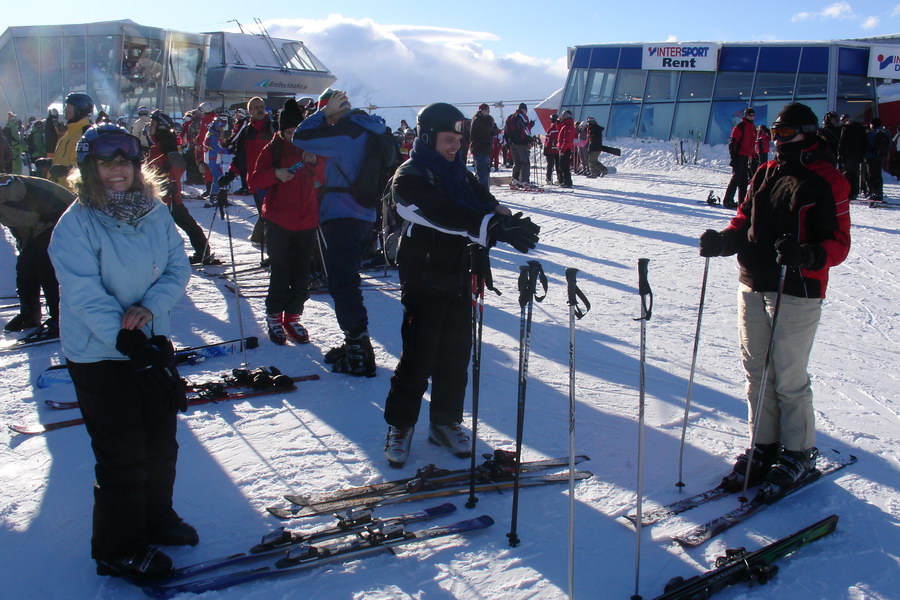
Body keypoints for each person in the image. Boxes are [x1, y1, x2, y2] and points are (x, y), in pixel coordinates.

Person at [48, 123, 194, 580]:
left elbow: (177, 266)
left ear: (137, 165)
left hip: (149, 341)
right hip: (100, 355)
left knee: (161, 444)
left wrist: (151, 308)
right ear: (88, 168)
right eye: (105, 162)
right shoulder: (74, 225)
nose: (117, 170)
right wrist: (127, 340)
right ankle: (119, 548)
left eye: (125, 161)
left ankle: (156, 518)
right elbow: (84, 295)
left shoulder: (154, 212)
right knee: (123, 454)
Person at [698, 102, 850, 493]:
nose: (777, 140)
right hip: (753, 280)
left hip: (797, 288)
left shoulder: (826, 180)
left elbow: (839, 243)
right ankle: (764, 444)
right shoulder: (764, 172)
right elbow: (744, 220)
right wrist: (724, 241)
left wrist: (808, 255)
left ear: (808, 133)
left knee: (788, 376)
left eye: (785, 134)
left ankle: (798, 450)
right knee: (756, 372)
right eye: (775, 133)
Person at [382, 102, 541, 467]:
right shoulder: (410, 175)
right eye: (448, 139)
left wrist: (504, 217)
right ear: (427, 137)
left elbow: (483, 203)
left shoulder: (458, 174)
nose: (456, 146)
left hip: (461, 273)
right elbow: (434, 212)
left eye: (459, 140)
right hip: (423, 275)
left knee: (456, 354)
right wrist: (488, 225)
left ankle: (445, 421)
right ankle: (401, 425)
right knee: (419, 357)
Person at [292, 88, 387, 377]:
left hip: (342, 215)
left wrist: (322, 114)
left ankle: (358, 353)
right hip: (363, 214)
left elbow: (300, 137)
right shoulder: (368, 129)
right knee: (347, 282)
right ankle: (357, 344)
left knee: (343, 285)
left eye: (325, 110)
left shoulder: (346, 132)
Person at [248, 99, 324, 345]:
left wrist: (315, 163)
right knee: (280, 271)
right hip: (279, 219)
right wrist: (275, 175)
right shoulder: (273, 149)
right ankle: (274, 315)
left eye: (296, 132)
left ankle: (293, 316)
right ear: (281, 131)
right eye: (289, 132)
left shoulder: (309, 148)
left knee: (302, 272)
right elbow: (255, 180)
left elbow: (326, 175)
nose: (293, 137)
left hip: (307, 218)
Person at [0, 175, 74, 333]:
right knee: (25, 265)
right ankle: (30, 314)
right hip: (40, 223)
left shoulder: (5, 185)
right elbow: (17, 220)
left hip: (61, 212)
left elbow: (15, 187)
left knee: (44, 264)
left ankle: (60, 317)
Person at [145, 110, 217, 264]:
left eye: (152, 124)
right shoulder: (158, 143)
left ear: (161, 127)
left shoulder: (165, 143)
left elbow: (179, 164)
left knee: (178, 225)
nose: (149, 126)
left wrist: (168, 181)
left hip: (168, 197)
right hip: (160, 197)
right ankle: (202, 252)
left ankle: (201, 252)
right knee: (183, 223)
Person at [218, 96, 274, 247]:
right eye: (255, 107)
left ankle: (270, 246)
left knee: (272, 215)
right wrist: (230, 174)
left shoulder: (273, 127)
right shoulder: (246, 130)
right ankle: (263, 241)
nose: (259, 109)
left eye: (261, 106)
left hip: (274, 178)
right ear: (250, 111)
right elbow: (240, 157)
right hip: (256, 180)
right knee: (266, 214)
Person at [50, 92, 95, 187]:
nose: (65, 109)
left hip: (73, 192)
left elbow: (88, 166)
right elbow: (63, 159)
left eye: (69, 106)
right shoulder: (67, 135)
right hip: (59, 190)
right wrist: (50, 163)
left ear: (79, 109)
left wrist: (65, 170)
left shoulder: (86, 134)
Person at [722, 107, 757, 209]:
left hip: (746, 156)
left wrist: (753, 156)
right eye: (750, 115)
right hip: (739, 156)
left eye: (753, 115)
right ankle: (728, 200)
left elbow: (752, 143)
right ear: (745, 116)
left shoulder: (752, 127)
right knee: (736, 178)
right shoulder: (740, 127)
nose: (752, 117)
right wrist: (733, 158)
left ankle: (742, 201)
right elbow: (732, 143)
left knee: (744, 180)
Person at [505, 102, 534, 188]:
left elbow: (506, 131)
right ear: (524, 109)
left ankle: (515, 180)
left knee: (516, 162)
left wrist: (508, 142)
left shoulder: (510, 117)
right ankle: (525, 181)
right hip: (522, 143)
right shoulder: (522, 117)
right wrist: (529, 140)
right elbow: (525, 130)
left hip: (512, 143)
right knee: (525, 162)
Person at [838, 114, 867, 200]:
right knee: (855, 174)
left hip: (848, 155)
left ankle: (848, 192)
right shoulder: (860, 128)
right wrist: (862, 154)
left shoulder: (846, 129)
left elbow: (842, 143)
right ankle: (855, 192)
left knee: (847, 174)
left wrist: (840, 154)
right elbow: (865, 142)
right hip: (857, 155)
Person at [470, 103, 499, 189]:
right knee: (482, 174)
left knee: (485, 172)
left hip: (485, 149)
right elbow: (488, 130)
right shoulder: (478, 120)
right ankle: (483, 194)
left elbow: (494, 130)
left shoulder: (483, 119)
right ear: (482, 110)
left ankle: (484, 192)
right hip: (480, 149)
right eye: (487, 110)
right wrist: (491, 123)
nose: (489, 112)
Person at [863, 118, 889, 202]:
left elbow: (868, 145)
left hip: (871, 157)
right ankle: (879, 192)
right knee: (878, 174)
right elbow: (889, 144)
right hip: (881, 157)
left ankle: (874, 193)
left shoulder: (872, 133)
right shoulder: (884, 133)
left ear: (872, 124)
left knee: (871, 175)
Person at [557, 110, 575, 187]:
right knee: (563, 166)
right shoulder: (566, 125)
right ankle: (565, 181)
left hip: (565, 149)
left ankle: (567, 182)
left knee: (564, 166)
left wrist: (563, 149)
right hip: (564, 148)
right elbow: (559, 129)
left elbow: (567, 140)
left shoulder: (568, 126)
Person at [543, 113, 559, 185]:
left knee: (550, 164)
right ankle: (560, 178)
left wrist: (545, 148)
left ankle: (549, 178)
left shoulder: (551, 129)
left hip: (550, 149)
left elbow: (548, 140)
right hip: (558, 149)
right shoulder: (560, 128)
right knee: (558, 165)